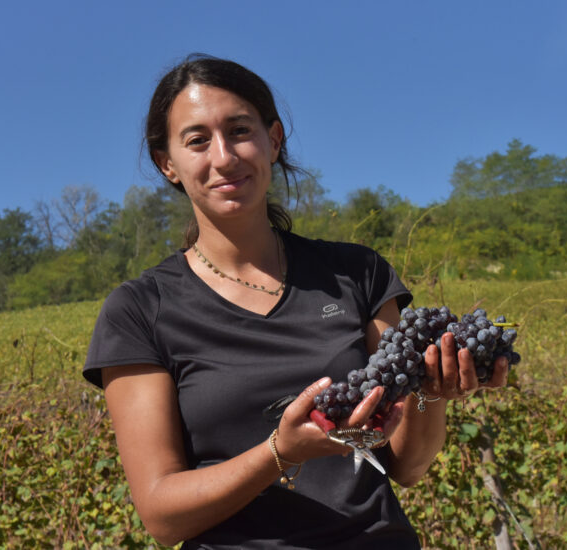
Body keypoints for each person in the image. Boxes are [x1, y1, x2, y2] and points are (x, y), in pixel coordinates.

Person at [83, 54, 510, 549]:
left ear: (274, 139)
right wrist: (279, 454)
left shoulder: (357, 274)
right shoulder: (138, 311)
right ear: (168, 164)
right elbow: (162, 516)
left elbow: (406, 466)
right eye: (197, 140)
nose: (223, 157)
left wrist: (430, 391)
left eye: (240, 130)